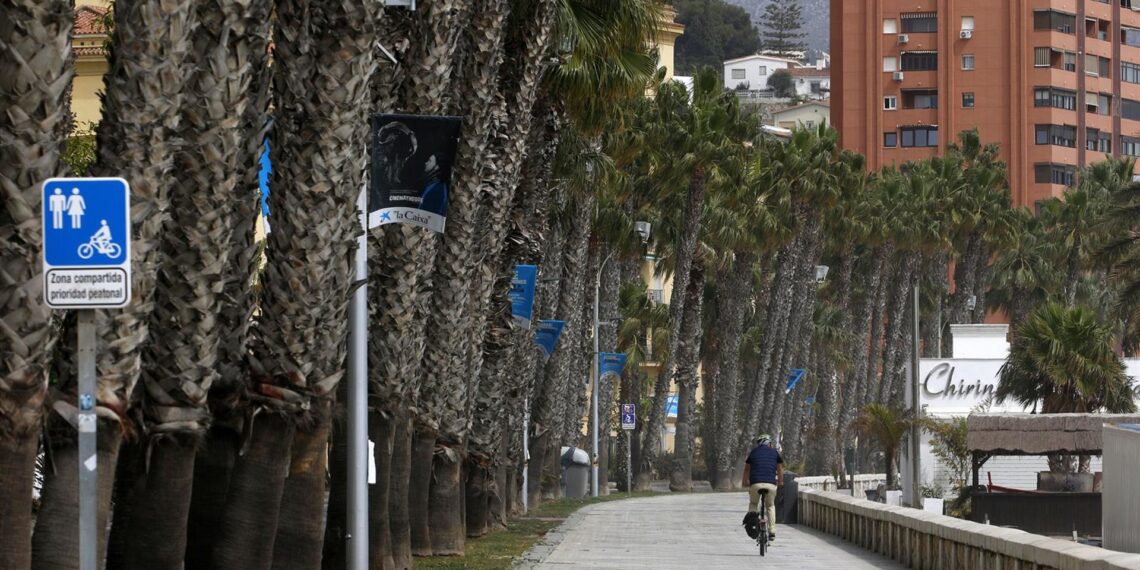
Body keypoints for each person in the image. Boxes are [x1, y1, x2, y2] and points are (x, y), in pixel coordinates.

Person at [742, 433, 783, 538]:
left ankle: (753, 525)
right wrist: (781, 482)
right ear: (769, 444)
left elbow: (747, 469)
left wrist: (744, 482)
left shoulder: (754, 452)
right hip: (770, 484)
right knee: (770, 505)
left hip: (755, 484)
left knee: (753, 503)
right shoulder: (775, 453)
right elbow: (780, 469)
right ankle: (772, 530)